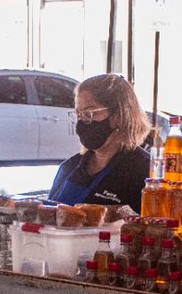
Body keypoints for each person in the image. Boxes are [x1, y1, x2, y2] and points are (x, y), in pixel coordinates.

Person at [49, 73, 151, 212]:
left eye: (89, 114)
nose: (81, 123)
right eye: (78, 114)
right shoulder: (69, 168)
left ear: (118, 116)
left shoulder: (144, 172)